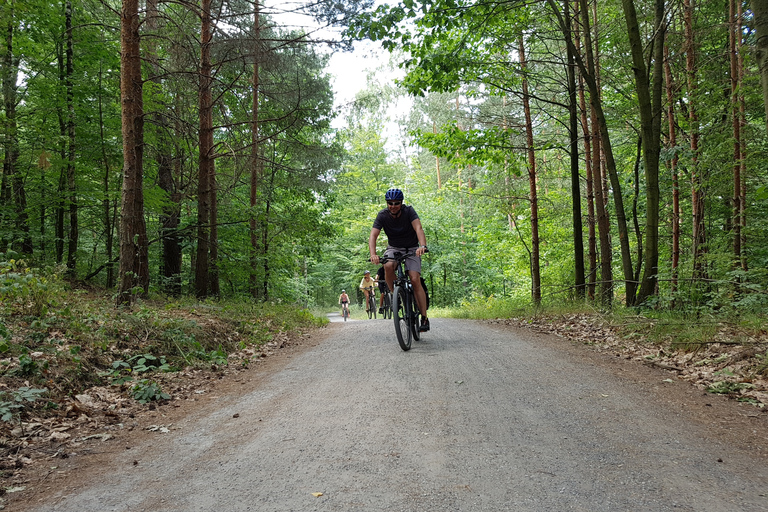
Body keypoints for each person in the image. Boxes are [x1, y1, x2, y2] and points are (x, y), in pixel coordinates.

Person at [369, 188, 430, 332]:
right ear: (387, 203)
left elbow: (418, 228)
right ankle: (396, 295)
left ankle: (424, 317)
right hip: (394, 248)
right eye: (390, 203)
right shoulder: (382, 215)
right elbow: (373, 236)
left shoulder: (409, 211)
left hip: (412, 248)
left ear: (401, 203)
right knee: (388, 266)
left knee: (415, 279)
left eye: (396, 203)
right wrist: (373, 254)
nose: (393, 206)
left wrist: (422, 246)